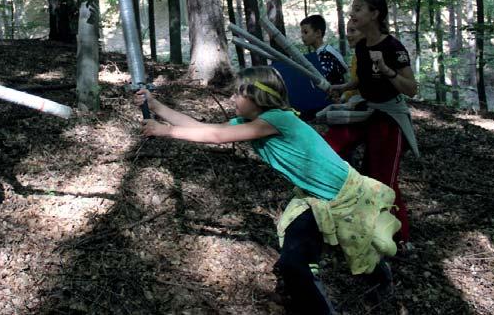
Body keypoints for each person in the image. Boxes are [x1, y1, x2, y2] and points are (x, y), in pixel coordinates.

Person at [134, 66, 400, 314]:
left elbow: (215, 137)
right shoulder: (252, 122)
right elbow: (206, 129)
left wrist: (166, 131)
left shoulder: (277, 119)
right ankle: (311, 297)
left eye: (238, 93)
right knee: (294, 262)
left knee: (358, 245)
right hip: (315, 198)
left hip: (344, 194)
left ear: (258, 96)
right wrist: (156, 106)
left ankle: (379, 280)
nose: (232, 98)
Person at [325, 0, 419, 248]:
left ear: (375, 14)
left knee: (383, 178)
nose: (352, 13)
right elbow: (362, 79)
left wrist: (388, 71)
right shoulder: (362, 46)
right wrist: (344, 86)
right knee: (331, 148)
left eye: (358, 9)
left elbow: (411, 88)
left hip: (389, 118)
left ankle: (399, 238)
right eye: (352, 8)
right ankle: (344, 219)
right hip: (365, 112)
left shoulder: (393, 47)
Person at [300, 14, 348, 85]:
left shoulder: (325, 54)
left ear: (318, 33)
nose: (302, 36)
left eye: (306, 32)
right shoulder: (326, 51)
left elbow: (326, 78)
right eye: (302, 33)